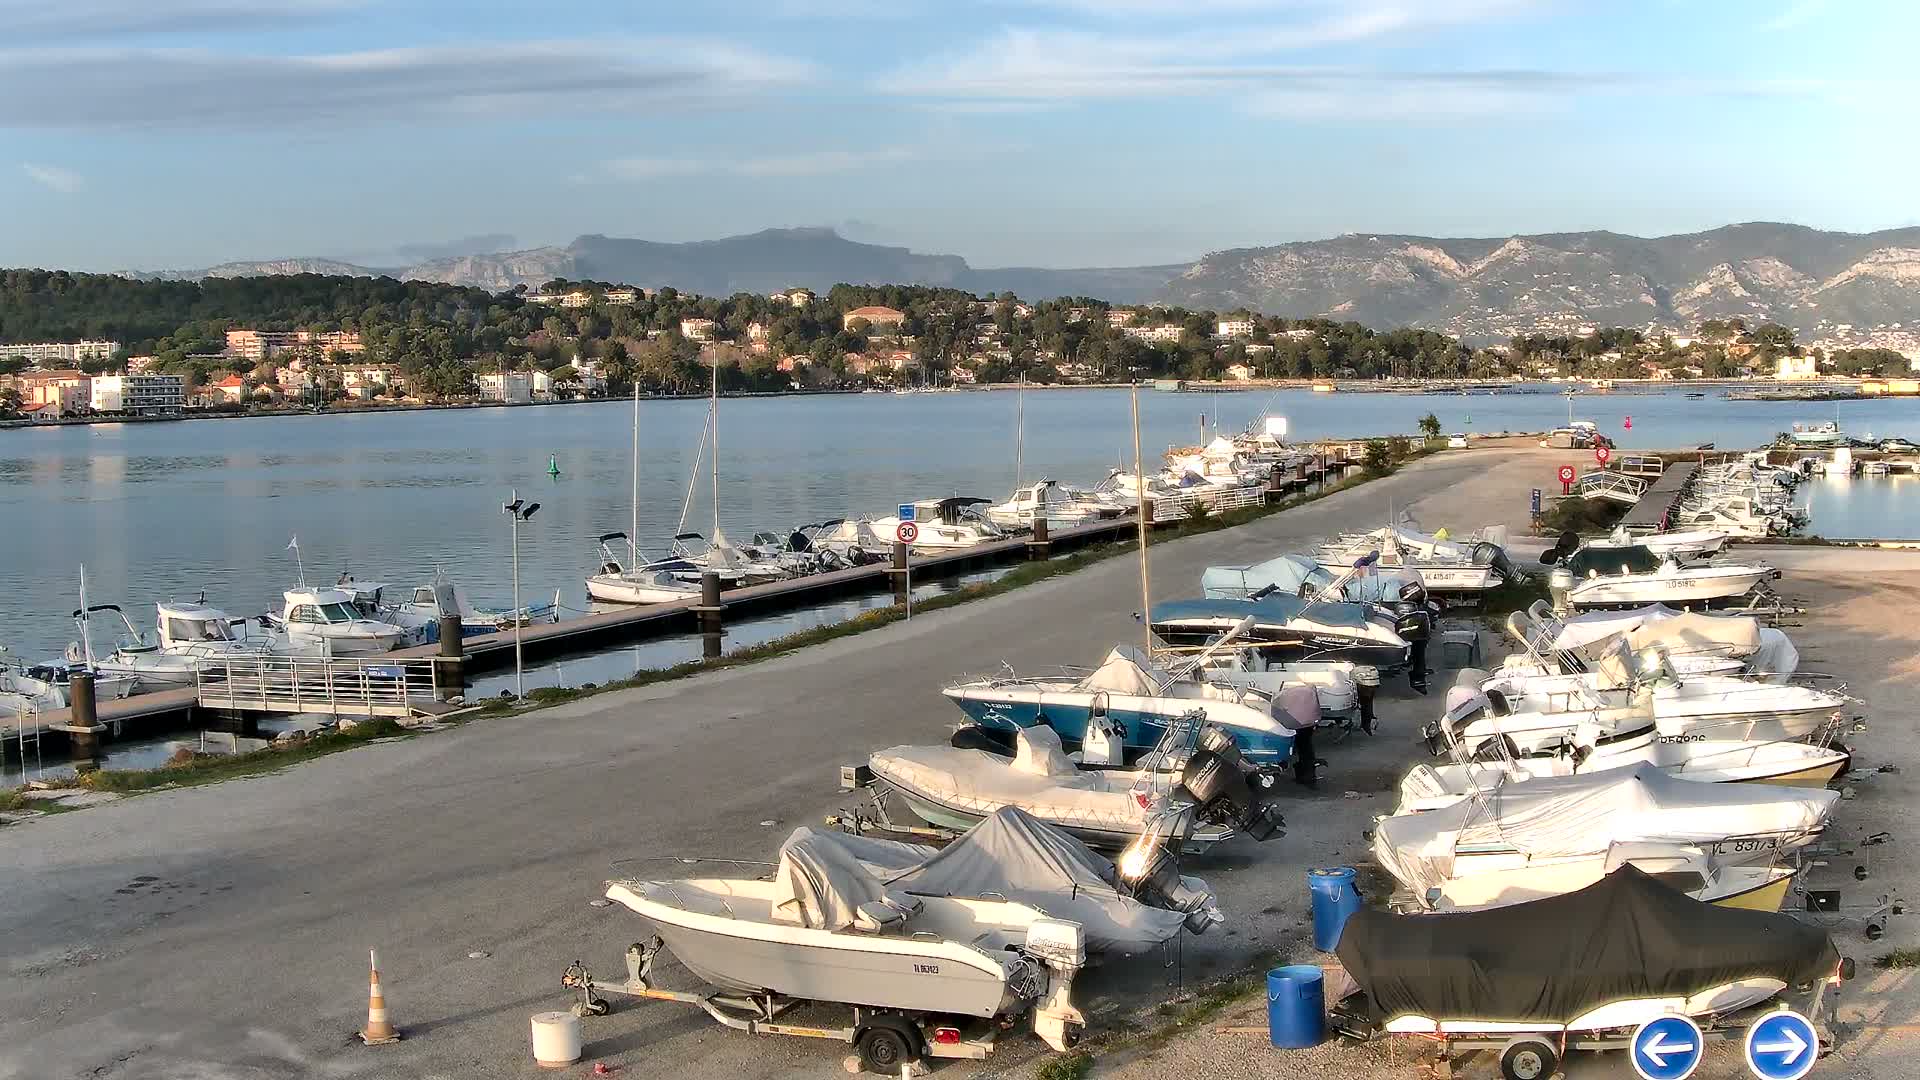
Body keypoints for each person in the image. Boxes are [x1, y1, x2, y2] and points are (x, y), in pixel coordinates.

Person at [1273, 684, 1322, 787]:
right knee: (1307, 747)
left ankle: (1305, 777)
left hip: (1297, 723)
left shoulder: (1289, 696)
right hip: (1308, 722)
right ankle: (1309, 775)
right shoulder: (1309, 696)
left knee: (1302, 748)